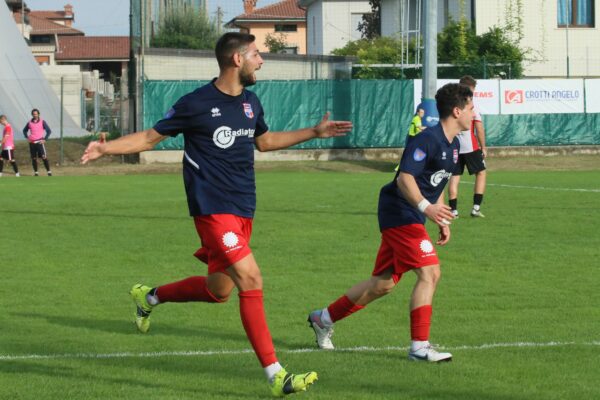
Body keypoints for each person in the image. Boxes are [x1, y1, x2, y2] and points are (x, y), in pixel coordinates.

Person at [81, 32, 352, 397]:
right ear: (237, 60)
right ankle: (276, 374)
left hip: (243, 209)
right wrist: (106, 148)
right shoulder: (195, 103)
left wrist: (315, 132)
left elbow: (265, 142)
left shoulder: (251, 103)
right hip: (212, 211)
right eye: (256, 54)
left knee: (218, 290)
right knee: (251, 279)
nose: (262, 60)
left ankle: (149, 297)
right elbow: (149, 138)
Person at [307, 83, 474, 362]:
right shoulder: (427, 139)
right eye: (471, 109)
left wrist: (440, 215)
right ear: (457, 111)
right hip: (399, 211)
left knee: (382, 285)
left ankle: (323, 319)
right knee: (430, 273)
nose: (473, 114)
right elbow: (404, 178)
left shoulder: (453, 144)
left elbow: (437, 181)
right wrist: (426, 208)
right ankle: (419, 347)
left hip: (414, 214)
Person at [448, 75, 487, 218]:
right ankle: (476, 208)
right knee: (481, 173)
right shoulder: (471, 106)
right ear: (470, 88)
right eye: (473, 89)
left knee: (454, 176)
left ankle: (453, 211)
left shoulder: (452, 104)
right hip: (470, 146)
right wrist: (483, 147)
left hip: (454, 147)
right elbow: (479, 127)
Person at [23, 108, 52, 176]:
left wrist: (45, 139)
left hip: (40, 142)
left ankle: (49, 172)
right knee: (34, 158)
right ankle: (36, 173)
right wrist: (27, 137)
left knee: (44, 157)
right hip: (32, 143)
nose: (35, 115)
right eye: (33, 114)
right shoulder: (29, 122)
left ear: (38, 114)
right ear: (32, 115)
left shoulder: (42, 122)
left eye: (36, 114)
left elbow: (49, 131)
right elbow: (24, 130)